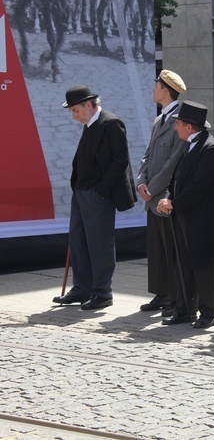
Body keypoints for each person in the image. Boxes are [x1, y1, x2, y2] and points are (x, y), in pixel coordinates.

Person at [52, 85, 136, 310]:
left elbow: (121, 161)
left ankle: (102, 292)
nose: (73, 115)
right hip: (81, 192)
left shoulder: (111, 123)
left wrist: (101, 190)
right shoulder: (89, 124)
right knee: (78, 241)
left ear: (89, 105)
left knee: (99, 244)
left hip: (98, 194)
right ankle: (82, 288)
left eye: (75, 110)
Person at [157, 101, 214, 329]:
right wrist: (169, 196)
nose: (175, 128)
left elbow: (199, 186)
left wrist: (174, 203)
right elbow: (178, 177)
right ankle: (184, 308)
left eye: (178, 123)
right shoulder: (190, 144)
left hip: (202, 218)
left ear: (190, 127)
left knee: (203, 265)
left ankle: (208, 312)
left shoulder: (210, 148)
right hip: (184, 214)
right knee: (183, 262)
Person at [136, 69, 188, 317]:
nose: (153, 89)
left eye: (156, 85)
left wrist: (153, 188)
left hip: (164, 196)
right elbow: (148, 155)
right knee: (156, 249)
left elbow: (174, 162)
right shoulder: (160, 120)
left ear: (165, 89)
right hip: (151, 196)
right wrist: (141, 182)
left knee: (170, 249)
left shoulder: (179, 118)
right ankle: (161, 292)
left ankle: (174, 295)